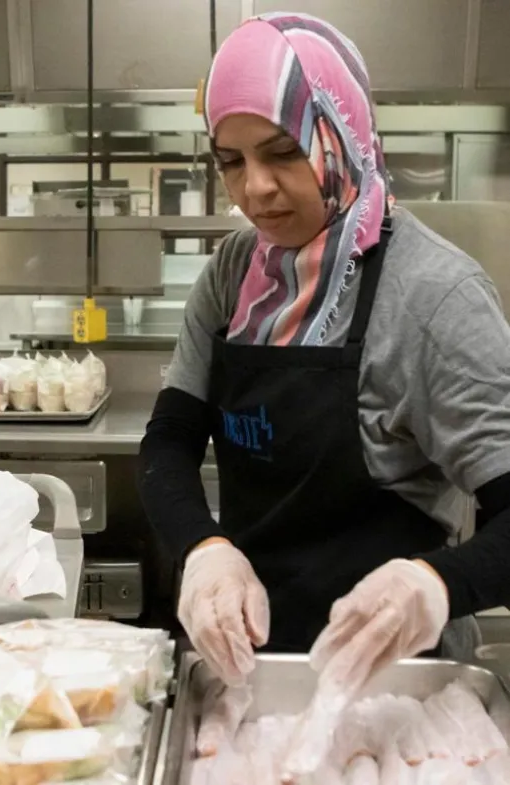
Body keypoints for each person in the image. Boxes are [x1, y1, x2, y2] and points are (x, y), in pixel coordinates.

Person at [138, 12, 510, 700]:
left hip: (396, 683)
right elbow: (169, 439)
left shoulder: (435, 296)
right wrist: (204, 549)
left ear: (341, 135)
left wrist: (433, 584)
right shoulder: (233, 273)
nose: (254, 189)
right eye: (230, 160)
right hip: (249, 675)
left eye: (282, 152)